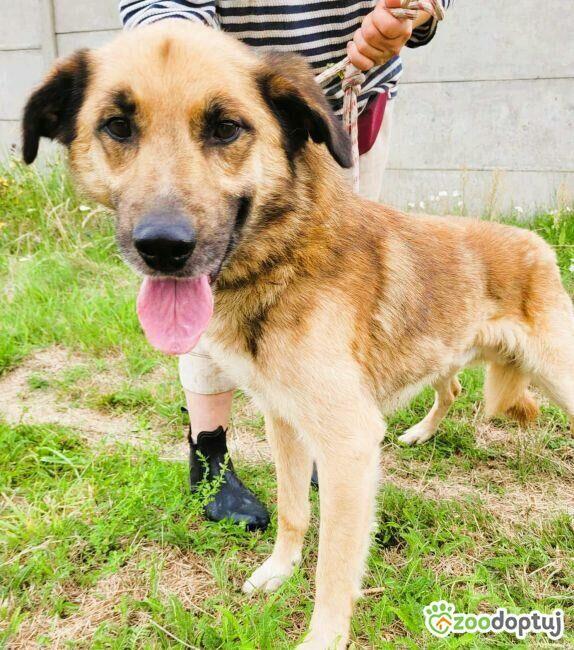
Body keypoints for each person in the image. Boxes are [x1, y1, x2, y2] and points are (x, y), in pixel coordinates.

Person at [119, 0, 454, 531]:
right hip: (219, 97)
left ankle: (323, 423)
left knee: (340, 284)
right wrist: (183, 61)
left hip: (350, 91)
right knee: (206, 273)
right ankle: (210, 454)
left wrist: (417, 9)